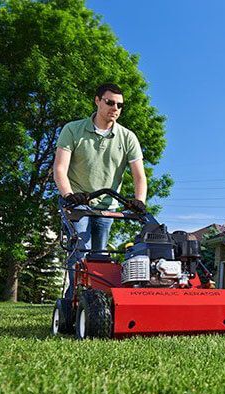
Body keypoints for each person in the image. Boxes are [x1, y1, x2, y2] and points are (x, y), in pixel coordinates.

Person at [53, 83, 148, 300]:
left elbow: (139, 176)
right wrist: (68, 195)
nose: (115, 108)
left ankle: (96, 300)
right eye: (110, 102)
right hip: (78, 201)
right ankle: (73, 301)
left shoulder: (128, 137)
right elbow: (60, 168)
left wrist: (139, 201)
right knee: (81, 250)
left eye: (120, 105)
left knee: (101, 256)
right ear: (97, 101)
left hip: (109, 206)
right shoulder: (73, 130)